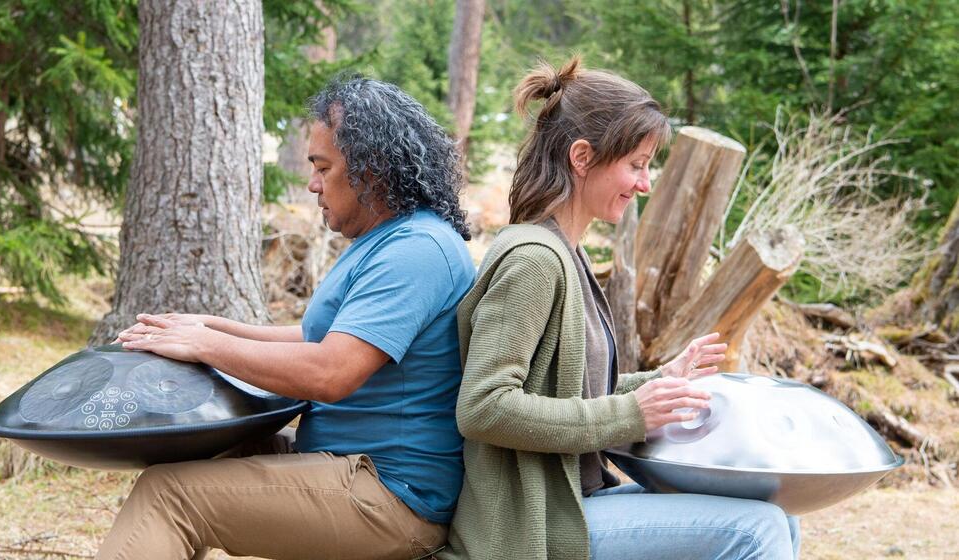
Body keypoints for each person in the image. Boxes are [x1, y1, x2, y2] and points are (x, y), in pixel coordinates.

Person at [100, 75, 476, 560]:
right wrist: (211, 326)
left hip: (389, 495)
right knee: (200, 456)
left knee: (169, 496)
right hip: (346, 464)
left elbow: (331, 370)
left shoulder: (416, 251)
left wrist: (206, 346)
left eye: (323, 167)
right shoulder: (385, 240)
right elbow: (318, 337)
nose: (312, 184)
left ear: (372, 168)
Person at [440, 57, 801, 560]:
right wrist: (633, 413)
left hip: (577, 501)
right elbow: (484, 407)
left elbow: (575, 394)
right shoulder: (534, 261)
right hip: (533, 528)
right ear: (582, 157)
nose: (646, 183)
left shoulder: (569, 253)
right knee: (756, 530)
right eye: (636, 164)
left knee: (780, 513)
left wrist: (657, 384)